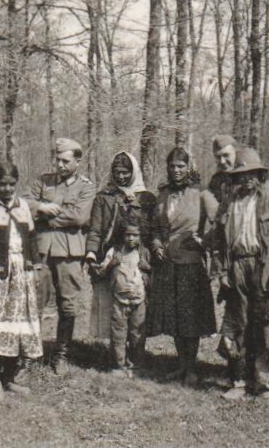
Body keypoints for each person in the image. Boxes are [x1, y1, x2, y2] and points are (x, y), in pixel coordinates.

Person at [212, 148, 269, 400]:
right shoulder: (229, 202)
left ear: (259, 175)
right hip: (236, 265)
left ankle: (265, 381)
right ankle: (237, 380)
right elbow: (217, 240)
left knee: (265, 323)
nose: (247, 179)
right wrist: (221, 271)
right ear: (235, 177)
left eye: (253, 174)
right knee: (237, 320)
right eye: (242, 174)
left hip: (264, 267)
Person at [0, 162, 43, 400]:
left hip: (22, 274)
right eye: (1, 183)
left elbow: (32, 239)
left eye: (11, 184)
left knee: (19, 326)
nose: (6, 188)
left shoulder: (22, 205)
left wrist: (36, 267)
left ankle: (9, 378)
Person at [146, 147, 217, 386]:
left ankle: (192, 368)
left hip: (190, 264)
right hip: (167, 264)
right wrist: (156, 245)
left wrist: (202, 241)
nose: (176, 171)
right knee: (174, 317)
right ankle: (181, 365)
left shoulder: (201, 194)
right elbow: (155, 227)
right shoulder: (163, 195)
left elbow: (218, 224)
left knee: (190, 317)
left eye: (181, 166)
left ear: (189, 168)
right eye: (172, 166)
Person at [25, 138, 96, 375]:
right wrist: (41, 208)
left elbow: (79, 217)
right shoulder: (43, 180)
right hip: (42, 250)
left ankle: (60, 355)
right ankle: (29, 355)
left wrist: (44, 215)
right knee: (35, 302)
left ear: (78, 161)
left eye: (65, 161)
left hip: (70, 252)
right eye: (57, 160)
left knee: (68, 305)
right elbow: (25, 204)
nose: (60, 165)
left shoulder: (86, 186)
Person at [86, 151, 156, 340]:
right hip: (112, 255)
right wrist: (92, 253)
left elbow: (150, 230)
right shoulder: (104, 197)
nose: (121, 176)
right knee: (113, 306)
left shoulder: (146, 198)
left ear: (133, 172)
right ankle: (116, 350)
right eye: (117, 172)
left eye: (126, 172)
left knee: (137, 301)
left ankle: (136, 349)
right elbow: (95, 228)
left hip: (137, 257)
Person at [92, 223, 152, 376]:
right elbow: (101, 272)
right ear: (122, 235)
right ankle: (118, 365)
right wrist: (112, 264)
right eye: (128, 235)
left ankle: (136, 365)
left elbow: (153, 275)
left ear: (141, 236)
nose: (131, 238)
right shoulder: (115, 252)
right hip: (119, 300)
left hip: (139, 299)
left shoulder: (144, 253)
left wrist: (147, 268)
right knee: (118, 333)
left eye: (135, 235)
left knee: (137, 333)